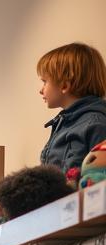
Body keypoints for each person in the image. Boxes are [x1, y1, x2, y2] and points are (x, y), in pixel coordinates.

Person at [38, 42, 106, 178]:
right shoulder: (62, 125)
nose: (41, 90)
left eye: (45, 81)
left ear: (64, 85)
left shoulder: (96, 124)